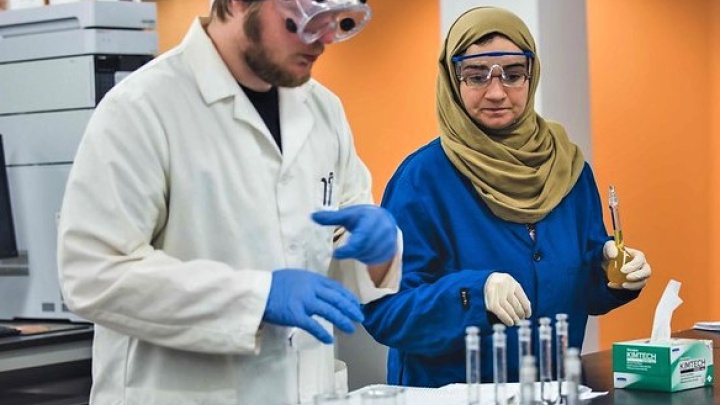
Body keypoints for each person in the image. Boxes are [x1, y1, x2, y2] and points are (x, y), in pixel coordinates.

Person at [57, 0, 401, 404]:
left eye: (333, 21)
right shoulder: (142, 108)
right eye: (306, 18)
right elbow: (94, 273)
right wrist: (256, 297)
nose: (324, 39)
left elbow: (339, 250)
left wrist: (378, 250)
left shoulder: (323, 110)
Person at [362, 6, 652, 387]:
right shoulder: (422, 179)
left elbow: (582, 290)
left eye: (513, 76)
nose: (497, 92)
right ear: (453, 80)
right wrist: (472, 294)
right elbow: (387, 312)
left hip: (552, 390)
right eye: (476, 76)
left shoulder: (569, 169)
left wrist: (613, 273)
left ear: (531, 78)